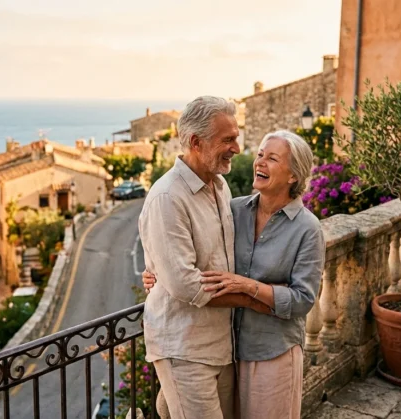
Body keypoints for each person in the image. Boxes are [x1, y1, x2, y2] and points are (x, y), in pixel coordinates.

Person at [143, 129, 325, 419]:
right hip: (230, 352)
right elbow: (191, 248)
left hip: (273, 352)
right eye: (260, 155)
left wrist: (250, 287)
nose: (259, 162)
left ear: (293, 175)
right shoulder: (235, 210)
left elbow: (303, 299)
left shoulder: (307, 229)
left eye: (272, 158)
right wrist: (157, 271)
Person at [139, 96, 271, 419]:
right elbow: (187, 285)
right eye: (228, 139)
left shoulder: (221, 186)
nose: (237, 148)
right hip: (184, 349)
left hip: (219, 345)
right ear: (196, 143)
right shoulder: (168, 198)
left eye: (236, 138)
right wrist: (255, 298)